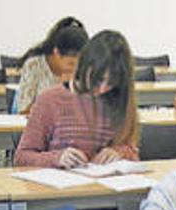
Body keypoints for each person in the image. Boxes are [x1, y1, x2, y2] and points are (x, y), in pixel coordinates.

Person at [15, 30, 139, 168]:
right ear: (84, 65)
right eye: (98, 80)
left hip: (103, 186)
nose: (103, 89)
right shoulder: (50, 100)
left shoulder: (118, 101)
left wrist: (119, 153)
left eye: (111, 83)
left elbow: (132, 151)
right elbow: (21, 158)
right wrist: (56, 158)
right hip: (58, 186)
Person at [15, 17, 89, 114]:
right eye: (70, 63)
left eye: (79, 63)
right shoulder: (34, 65)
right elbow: (23, 109)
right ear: (56, 53)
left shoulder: (86, 67)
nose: (74, 68)